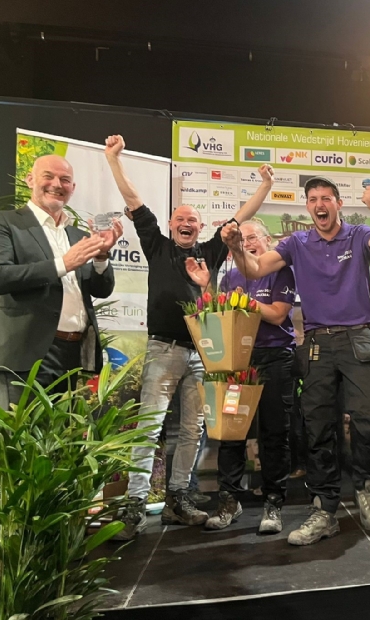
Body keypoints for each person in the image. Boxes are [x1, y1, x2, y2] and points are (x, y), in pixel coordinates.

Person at [104, 135, 272, 540]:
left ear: (199, 228)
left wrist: (266, 185)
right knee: (149, 428)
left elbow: (239, 218)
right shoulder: (156, 245)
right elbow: (133, 199)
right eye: (180, 218)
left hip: (202, 353)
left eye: (192, 220)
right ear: (170, 225)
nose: (186, 223)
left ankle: (178, 499)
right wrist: (113, 160)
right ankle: (134, 505)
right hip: (162, 349)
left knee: (192, 431)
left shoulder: (211, 252)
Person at [220, 175, 370, 546]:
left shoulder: (359, 235)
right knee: (318, 426)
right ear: (308, 206)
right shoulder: (296, 243)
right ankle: (324, 509)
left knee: (369, 416)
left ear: (338, 203)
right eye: (313, 199)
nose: (320, 204)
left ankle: (365, 488)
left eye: (326, 198)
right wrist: (237, 247)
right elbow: (254, 269)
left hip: (359, 338)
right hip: (317, 342)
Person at [0, 153, 121, 409]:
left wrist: (101, 255)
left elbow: (101, 289)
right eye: (48, 176)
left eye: (65, 179)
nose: (57, 184)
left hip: (71, 354)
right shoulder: (3, 222)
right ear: (30, 180)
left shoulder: (77, 235)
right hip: (24, 354)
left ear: (72, 187)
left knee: (60, 434)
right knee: (22, 433)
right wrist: (63, 263)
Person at [185, 219, 297, 534]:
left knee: (274, 434)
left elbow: (278, 314)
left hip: (275, 358)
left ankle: (273, 502)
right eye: (241, 239)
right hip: (236, 364)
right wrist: (207, 288)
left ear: (267, 241)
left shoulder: (281, 271)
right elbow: (220, 316)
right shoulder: (230, 276)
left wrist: (245, 302)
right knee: (231, 433)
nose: (246, 243)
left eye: (252, 238)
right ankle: (229, 501)